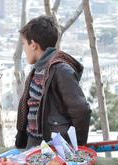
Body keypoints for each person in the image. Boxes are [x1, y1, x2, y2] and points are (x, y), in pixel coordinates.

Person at [15, 15, 92, 149]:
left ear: (33, 45)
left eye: (24, 44)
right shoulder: (37, 70)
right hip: (33, 144)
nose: (24, 49)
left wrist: (77, 146)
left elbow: (81, 110)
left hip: (54, 147)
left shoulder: (60, 70)